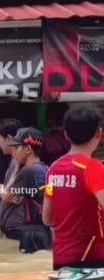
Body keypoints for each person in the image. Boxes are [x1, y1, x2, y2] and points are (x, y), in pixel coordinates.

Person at [43, 105, 104, 270]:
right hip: (93, 258)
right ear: (99, 133)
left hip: (61, 258)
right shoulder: (93, 167)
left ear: (66, 135)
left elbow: (47, 218)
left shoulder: (53, 169)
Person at [0, 128, 51, 252]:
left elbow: (8, 197)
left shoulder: (27, 171)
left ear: (28, 149)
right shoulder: (45, 168)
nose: (14, 152)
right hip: (44, 229)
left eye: (17, 148)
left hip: (32, 231)